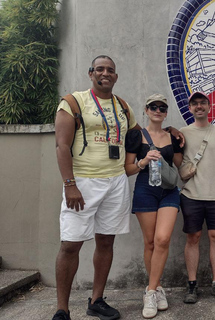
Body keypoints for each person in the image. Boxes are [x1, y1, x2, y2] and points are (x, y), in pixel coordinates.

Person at [53, 55, 140, 320]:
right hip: (82, 183)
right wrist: (70, 184)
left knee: (106, 241)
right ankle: (62, 310)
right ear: (91, 73)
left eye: (110, 70)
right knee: (71, 245)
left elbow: (137, 136)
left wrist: (171, 130)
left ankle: (97, 300)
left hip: (115, 182)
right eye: (100, 69)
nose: (105, 73)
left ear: (116, 76)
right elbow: (61, 146)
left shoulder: (123, 106)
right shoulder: (73, 102)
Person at [125, 94, 183, 318]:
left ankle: (150, 291)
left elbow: (178, 164)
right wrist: (144, 161)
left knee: (162, 239)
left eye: (162, 107)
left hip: (168, 190)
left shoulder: (172, 136)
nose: (157, 110)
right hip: (145, 189)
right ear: (146, 110)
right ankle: (156, 289)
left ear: (166, 112)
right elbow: (128, 168)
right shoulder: (136, 136)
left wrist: (177, 138)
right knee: (149, 242)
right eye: (153, 107)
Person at [179, 91, 215, 304]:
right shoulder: (182, 133)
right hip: (191, 195)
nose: (199, 106)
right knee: (192, 238)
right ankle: (192, 284)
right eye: (195, 104)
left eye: (203, 103)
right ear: (190, 108)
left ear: (209, 107)